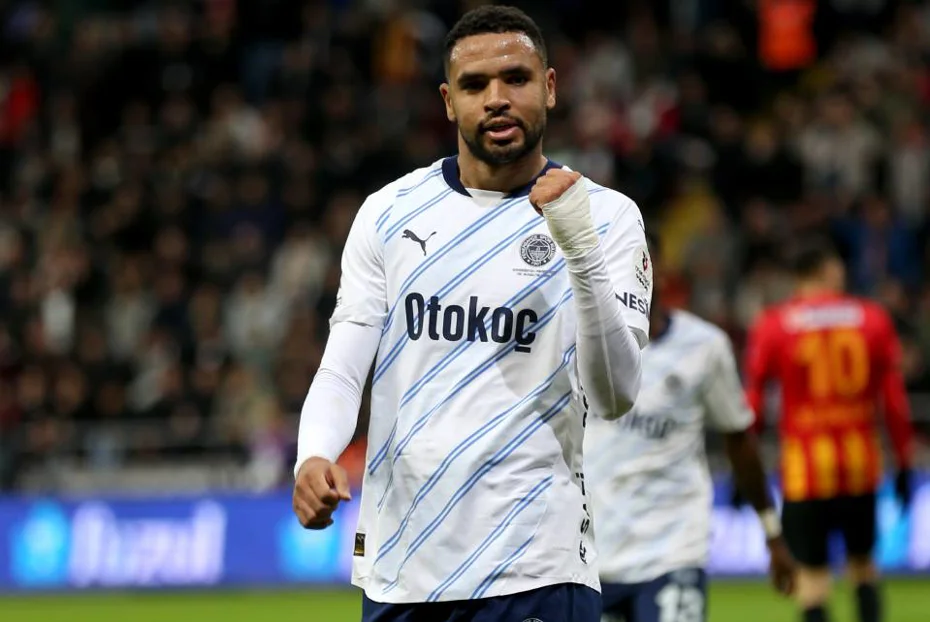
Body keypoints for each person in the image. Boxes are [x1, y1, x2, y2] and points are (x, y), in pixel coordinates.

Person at [291, 6, 652, 622]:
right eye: (475, 84)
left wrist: (580, 248)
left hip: (536, 567)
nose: (497, 98)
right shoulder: (388, 213)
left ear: (550, 87)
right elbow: (344, 369)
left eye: (516, 78)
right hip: (403, 570)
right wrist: (313, 454)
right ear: (448, 101)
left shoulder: (608, 217)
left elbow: (615, 395)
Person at [586, 232, 796, 622]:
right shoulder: (578, 342)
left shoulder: (704, 346)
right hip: (592, 556)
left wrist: (771, 532)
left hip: (673, 550)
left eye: (641, 264)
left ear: (659, 274)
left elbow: (738, 438)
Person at [744, 236, 915, 622]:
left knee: (812, 579)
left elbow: (753, 404)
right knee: (864, 567)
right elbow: (894, 402)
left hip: (804, 471)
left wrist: (747, 464)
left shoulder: (774, 325)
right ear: (828, 270)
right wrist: (904, 461)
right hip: (859, 465)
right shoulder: (872, 318)